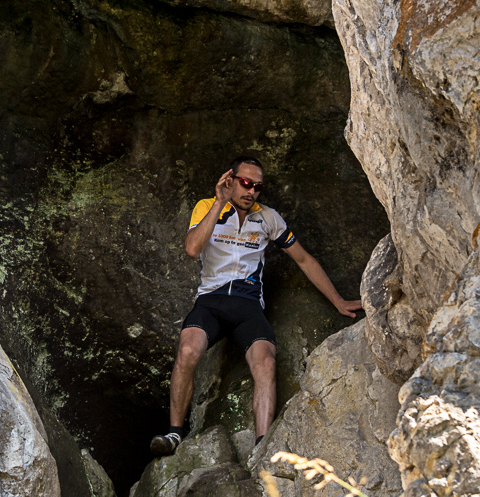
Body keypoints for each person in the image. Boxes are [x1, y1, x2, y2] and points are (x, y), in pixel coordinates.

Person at [149, 156, 362, 456]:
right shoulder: (207, 207)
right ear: (230, 180)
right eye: (245, 183)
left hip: (248, 305)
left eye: (257, 186)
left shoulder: (268, 218)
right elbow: (192, 248)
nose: (251, 191)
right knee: (187, 350)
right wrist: (218, 203)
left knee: (266, 361)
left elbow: (303, 259)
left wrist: (337, 300)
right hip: (211, 301)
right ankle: (174, 435)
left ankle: (263, 448)